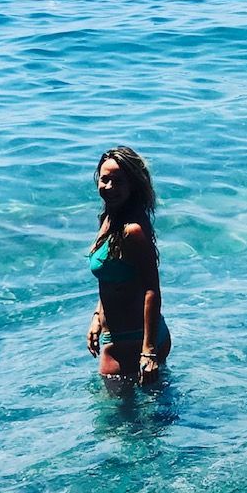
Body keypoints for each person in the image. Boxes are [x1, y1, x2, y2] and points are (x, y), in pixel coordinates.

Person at [86, 147, 171, 385]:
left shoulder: (132, 230)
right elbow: (112, 277)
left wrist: (149, 352)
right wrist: (96, 317)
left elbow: (151, 289)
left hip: (133, 340)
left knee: (115, 420)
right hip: (115, 336)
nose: (110, 187)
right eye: (105, 179)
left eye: (118, 181)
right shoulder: (109, 219)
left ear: (133, 185)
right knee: (142, 415)